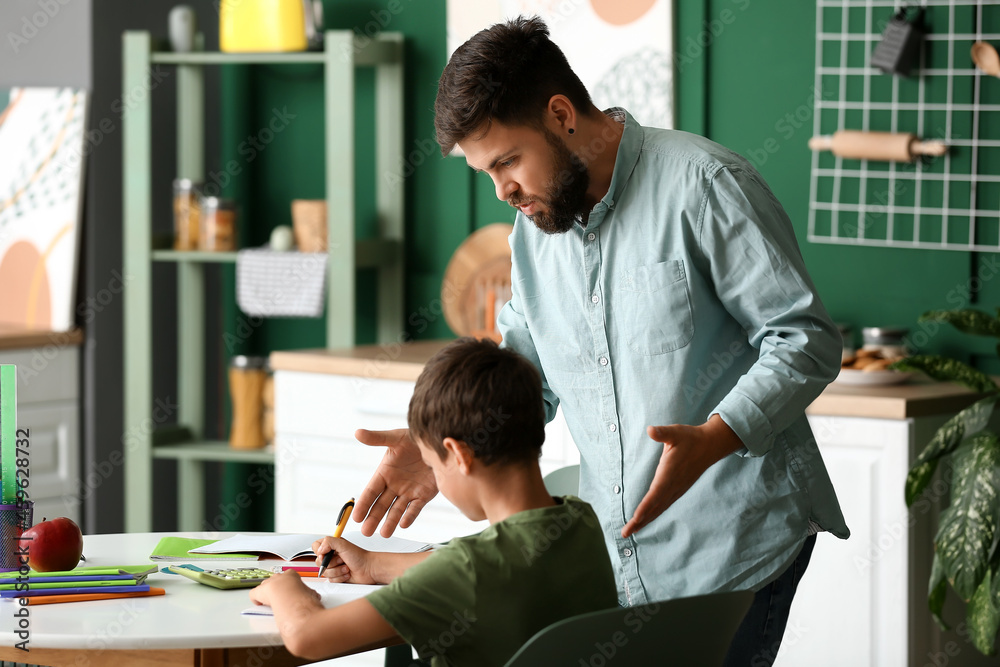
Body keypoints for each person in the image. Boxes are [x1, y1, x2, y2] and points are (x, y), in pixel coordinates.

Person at [351, 16, 851, 666]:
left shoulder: (704, 187)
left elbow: (804, 338)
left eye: (507, 161)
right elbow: (528, 376)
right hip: (620, 557)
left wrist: (716, 436)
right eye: (485, 172)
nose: (503, 190)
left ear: (561, 115)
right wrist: (444, 445)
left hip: (733, 542)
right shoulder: (533, 234)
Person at [250, 337, 618, 665]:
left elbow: (307, 637)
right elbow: (473, 569)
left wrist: (287, 591)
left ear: (458, 455)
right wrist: (374, 565)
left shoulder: (468, 573)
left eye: (430, 463)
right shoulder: (579, 520)